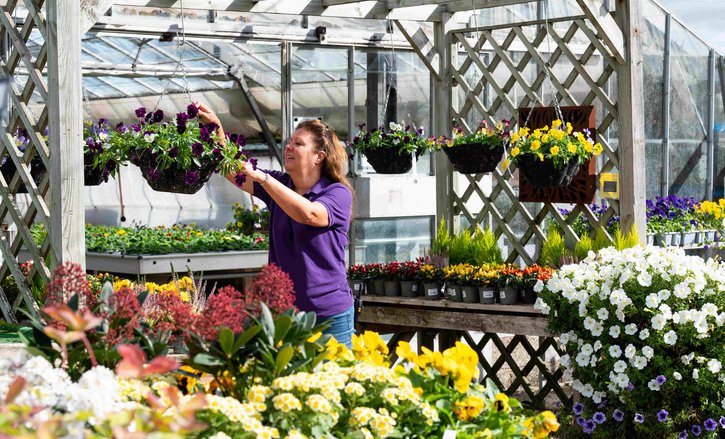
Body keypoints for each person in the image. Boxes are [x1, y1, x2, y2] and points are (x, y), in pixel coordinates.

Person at [195, 103, 356, 348]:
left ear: (319, 157)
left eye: (298, 144)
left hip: (328, 315)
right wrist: (217, 130)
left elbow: (311, 215)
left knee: (335, 382)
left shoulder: (336, 193)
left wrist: (264, 178)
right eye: (289, 142)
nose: (288, 147)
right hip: (285, 315)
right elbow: (231, 169)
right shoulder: (280, 186)